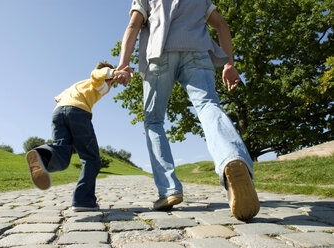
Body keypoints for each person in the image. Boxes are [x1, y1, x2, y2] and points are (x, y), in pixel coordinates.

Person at [117, 0, 260, 220]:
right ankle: (232, 158)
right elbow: (221, 25)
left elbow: (133, 25)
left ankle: (168, 189)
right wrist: (229, 64)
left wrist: (123, 64)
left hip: (159, 54)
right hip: (197, 52)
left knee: (154, 121)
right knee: (208, 105)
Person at [26, 61, 129, 212]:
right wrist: (113, 73)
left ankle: (42, 155)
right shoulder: (100, 81)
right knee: (91, 159)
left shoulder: (78, 84)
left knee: (62, 152)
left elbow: (58, 97)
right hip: (78, 113)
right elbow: (96, 74)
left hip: (58, 112)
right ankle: (83, 201)